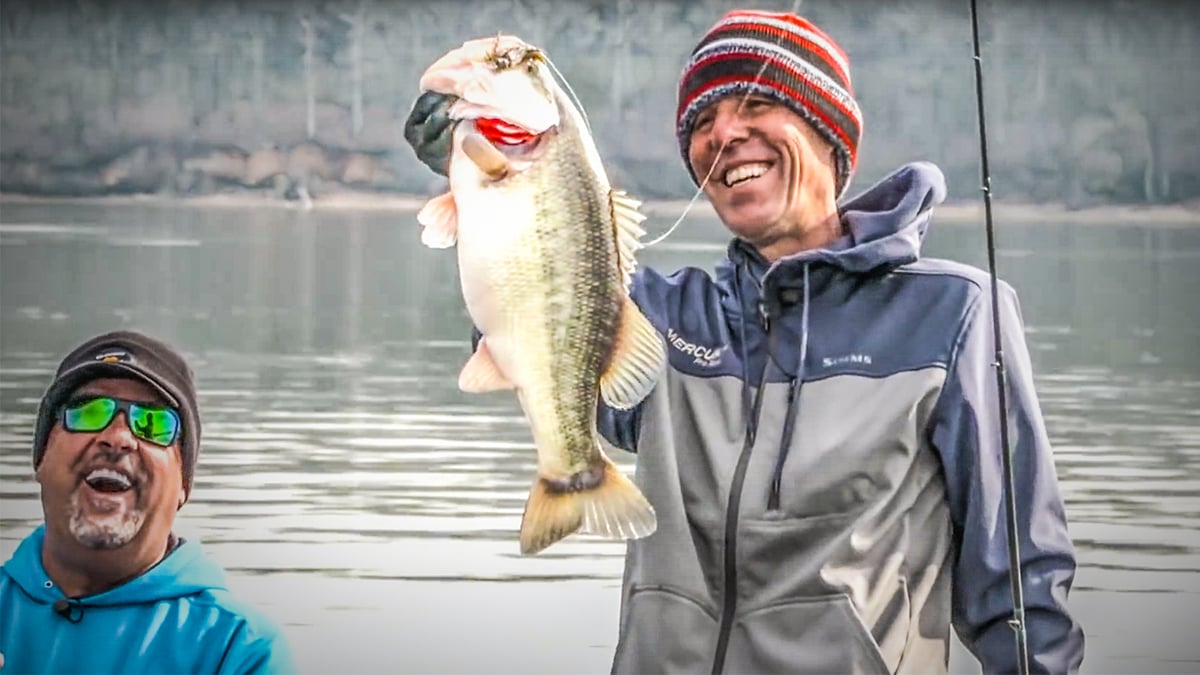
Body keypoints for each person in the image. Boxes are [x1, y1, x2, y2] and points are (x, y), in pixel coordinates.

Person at [404, 8, 1085, 674]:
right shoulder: (662, 315)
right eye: (702, 121)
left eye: (756, 105)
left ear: (830, 135)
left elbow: (1019, 578)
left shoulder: (953, 314)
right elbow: (532, 316)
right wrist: (475, 160)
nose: (723, 133)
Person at [0, 330, 296, 674]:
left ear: (183, 484)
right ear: (42, 456)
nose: (117, 438)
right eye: (89, 412)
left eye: (153, 423)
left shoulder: (238, 649)